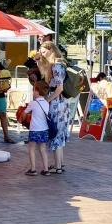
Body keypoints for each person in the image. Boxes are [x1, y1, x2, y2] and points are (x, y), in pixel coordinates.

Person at [36, 41, 68, 174]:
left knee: (55, 134)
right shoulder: (57, 64)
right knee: (58, 135)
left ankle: (58, 167)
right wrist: (38, 61)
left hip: (57, 104)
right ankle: (58, 165)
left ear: (50, 50)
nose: (42, 54)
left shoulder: (56, 66)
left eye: (44, 52)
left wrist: (47, 100)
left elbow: (59, 88)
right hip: (61, 104)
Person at [23, 80, 50, 176]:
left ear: (37, 91)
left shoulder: (33, 103)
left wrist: (23, 118)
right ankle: (46, 169)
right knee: (43, 149)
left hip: (34, 130)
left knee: (31, 148)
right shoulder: (46, 103)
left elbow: (24, 113)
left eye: (34, 90)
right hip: (44, 129)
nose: (33, 92)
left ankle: (33, 169)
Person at [0, 59, 15, 143]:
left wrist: (4, 87)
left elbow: (6, 82)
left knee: (3, 115)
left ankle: (6, 136)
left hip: (0, 96)